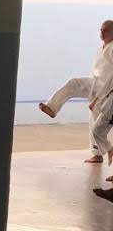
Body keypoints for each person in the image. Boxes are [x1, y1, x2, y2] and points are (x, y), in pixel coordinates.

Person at [38, 19, 113, 163]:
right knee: (76, 89)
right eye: (101, 30)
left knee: (93, 117)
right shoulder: (101, 48)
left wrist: (101, 95)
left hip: (106, 89)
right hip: (95, 83)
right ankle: (97, 154)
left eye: (106, 30)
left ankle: (98, 153)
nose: (102, 33)